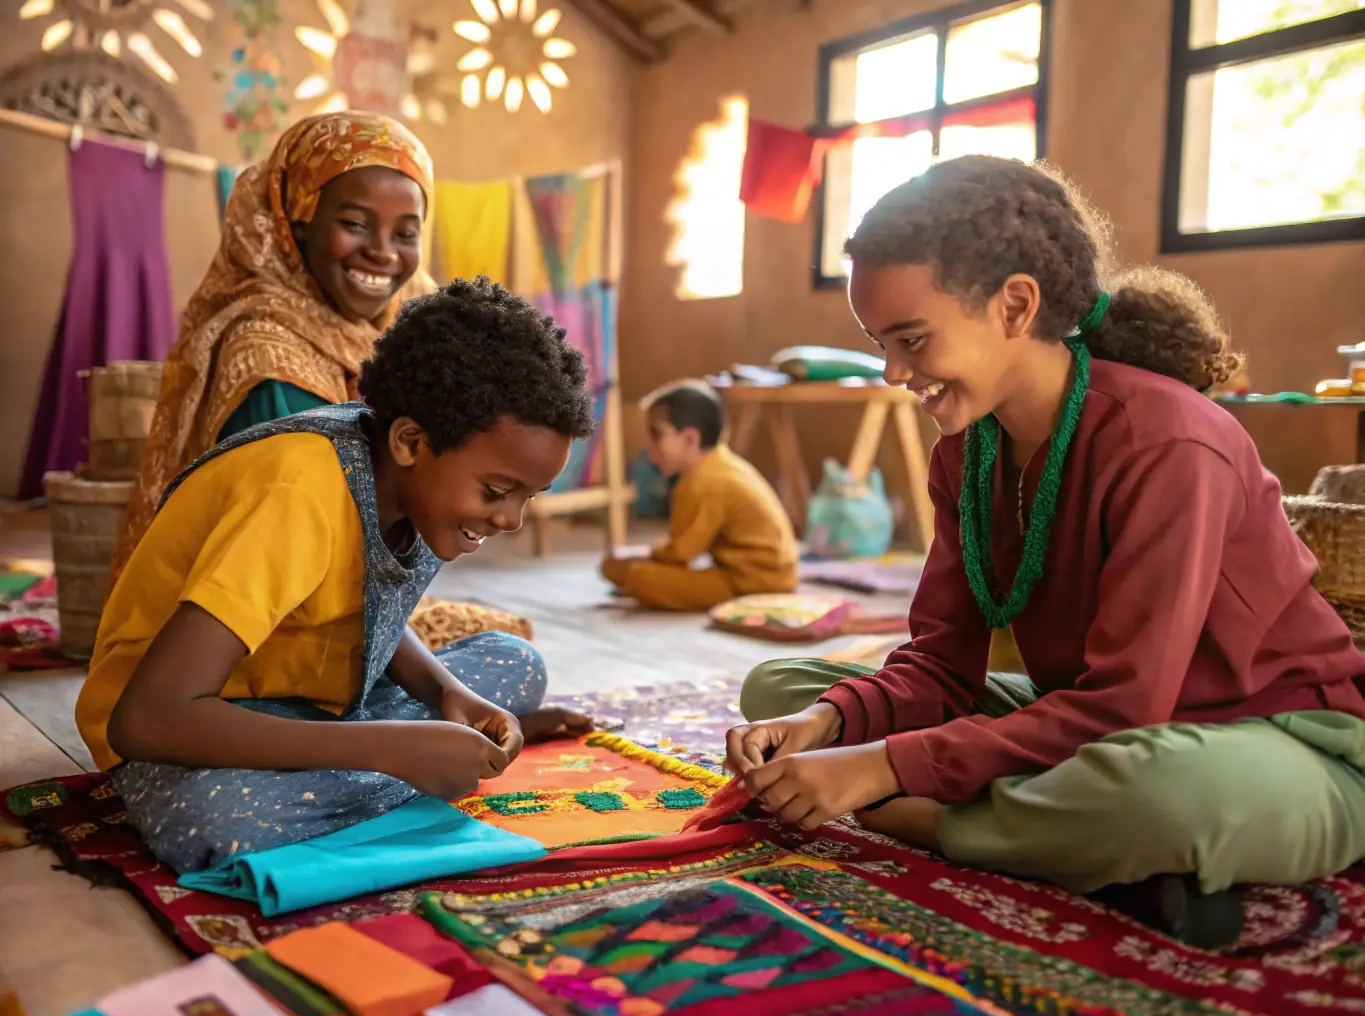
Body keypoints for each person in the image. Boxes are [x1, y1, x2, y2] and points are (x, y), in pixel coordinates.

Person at [725, 156, 1365, 948]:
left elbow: (1126, 708)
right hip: (1096, 724)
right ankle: (1084, 851)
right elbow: (939, 666)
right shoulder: (968, 453)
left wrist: (883, 770)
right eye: (878, 344)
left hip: (1276, 743)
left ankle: (934, 822)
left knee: (1155, 797)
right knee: (781, 689)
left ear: (1014, 305)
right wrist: (830, 723)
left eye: (911, 339)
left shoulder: (1168, 441)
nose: (893, 372)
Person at [76, 277, 596, 874]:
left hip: (320, 705)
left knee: (515, 662)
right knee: (215, 821)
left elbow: (364, 605)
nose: (510, 519)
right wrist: (389, 748)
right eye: (498, 491)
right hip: (193, 725)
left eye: (529, 497)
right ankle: (414, 763)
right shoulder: (297, 494)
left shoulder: (408, 484)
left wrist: (445, 692)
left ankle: (420, 757)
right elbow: (145, 719)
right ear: (411, 441)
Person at [109, 112, 438, 585]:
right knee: (507, 655)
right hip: (267, 610)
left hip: (347, 586)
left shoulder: (393, 330)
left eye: (405, 233)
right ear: (295, 222)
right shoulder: (268, 357)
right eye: (354, 223)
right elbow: (286, 549)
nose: (383, 252)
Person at [601, 383, 798, 611]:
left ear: (690, 439)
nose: (649, 447)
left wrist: (640, 558)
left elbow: (680, 554)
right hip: (764, 574)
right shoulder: (720, 463)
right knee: (621, 565)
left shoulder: (704, 483)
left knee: (634, 575)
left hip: (752, 583)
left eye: (656, 435)